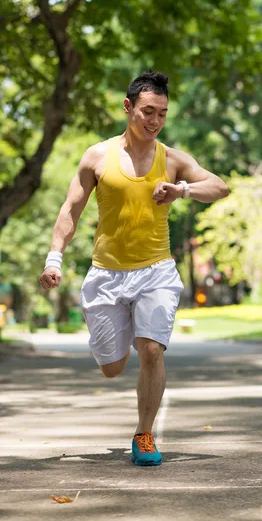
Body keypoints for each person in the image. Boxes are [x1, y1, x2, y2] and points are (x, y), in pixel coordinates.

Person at [39, 70, 229, 466]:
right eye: (147, 111)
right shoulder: (97, 157)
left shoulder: (172, 160)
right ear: (128, 107)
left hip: (156, 271)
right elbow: (71, 209)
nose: (154, 121)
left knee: (152, 351)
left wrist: (182, 190)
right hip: (106, 273)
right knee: (112, 367)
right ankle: (129, 328)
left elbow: (220, 186)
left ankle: (144, 434)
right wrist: (54, 259)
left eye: (161, 113)